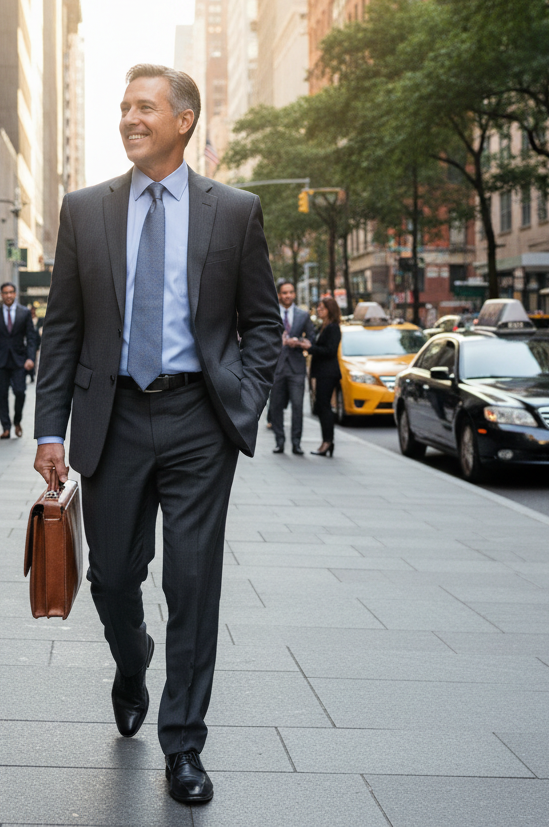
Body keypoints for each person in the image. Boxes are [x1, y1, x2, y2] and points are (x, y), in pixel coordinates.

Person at [33, 64, 281, 805]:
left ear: (184, 120)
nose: (129, 118)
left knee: (193, 582)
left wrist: (247, 394)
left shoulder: (234, 211)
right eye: (123, 107)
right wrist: (50, 431)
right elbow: (63, 330)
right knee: (111, 575)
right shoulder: (85, 210)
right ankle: (132, 659)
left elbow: (262, 322)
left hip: (200, 419)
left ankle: (184, 745)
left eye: (145, 107)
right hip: (111, 418)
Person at [0, 283, 38, 439]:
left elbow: (31, 337)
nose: (8, 295)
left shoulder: (24, 313)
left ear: (15, 294)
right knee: (1, 395)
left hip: (19, 360)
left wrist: (30, 358)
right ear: (1, 295)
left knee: (20, 392)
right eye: (5, 293)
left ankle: (17, 420)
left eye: (11, 292)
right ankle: (6, 427)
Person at [269, 279, 315, 455]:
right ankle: (279, 442)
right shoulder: (272, 314)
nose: (287, 295)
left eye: (290, 292)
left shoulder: (303, 315)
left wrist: (299, 342)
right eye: (284, 293)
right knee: (275, 407)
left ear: (294, 294)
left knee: (297, 407)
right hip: (276, 367)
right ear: (279, 295)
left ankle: (296, 443)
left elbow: (311, 340)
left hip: (296, 368)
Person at [302, 295, 341, 458]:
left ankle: (328, 442)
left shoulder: (333, 328)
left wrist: (310, 348)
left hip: (328, 372)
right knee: (321, 406)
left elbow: (330, 351)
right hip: (321, 372)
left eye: (322, 308)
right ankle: (326, 441)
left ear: (329, 310)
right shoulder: (323, 327)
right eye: (318, 307)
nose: (318, 310)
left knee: (324, 407)